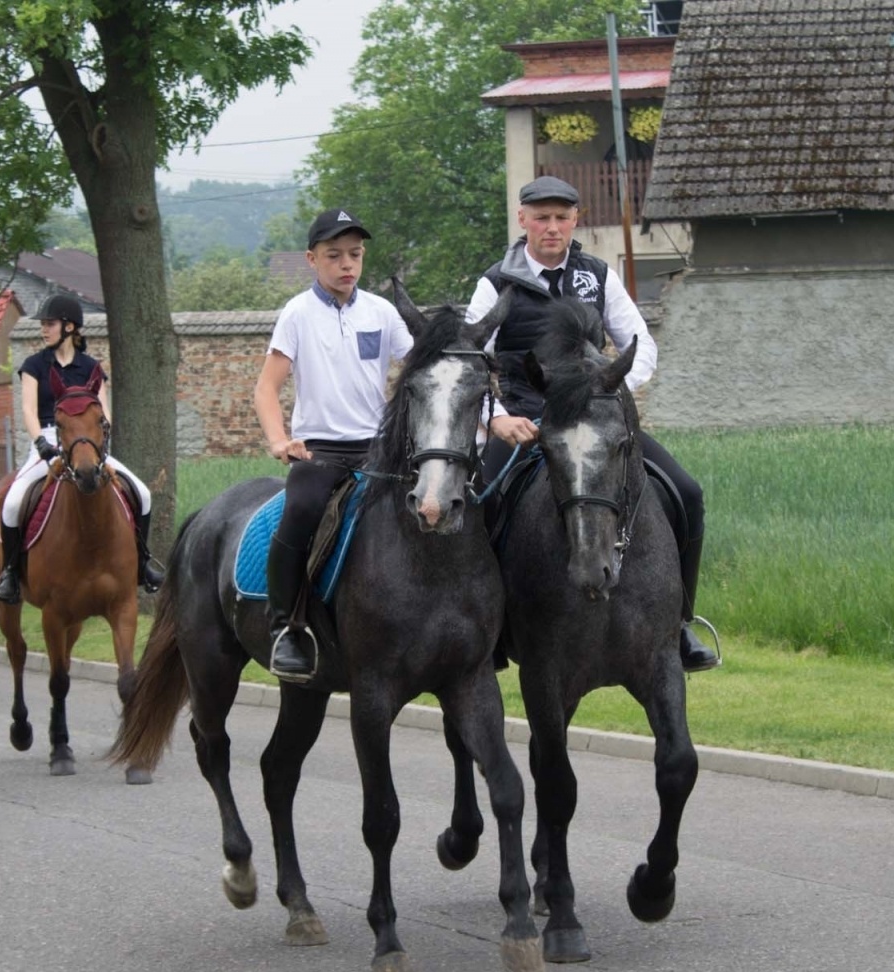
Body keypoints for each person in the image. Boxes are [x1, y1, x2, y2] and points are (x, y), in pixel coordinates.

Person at [466, 176, 719, 672]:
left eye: (562, 217)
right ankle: (490, 627)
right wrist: (496, 419)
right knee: (481, 506)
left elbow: (640, 343)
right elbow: (472, 363)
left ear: (575, 220)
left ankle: (681, 622)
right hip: (528, 423)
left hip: (597, 419)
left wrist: (611, 389)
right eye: (541, 217)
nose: (552, 227)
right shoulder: (494, 284)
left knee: (687, 493)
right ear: (523, 220)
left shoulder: (598, 275)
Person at [252, 208, 416, 683]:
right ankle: (286, 627)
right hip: (318, 451)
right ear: (311, 259)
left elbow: (418, 365)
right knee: (301, 510)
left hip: (379, 449)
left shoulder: (382, 313)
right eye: (334, 255)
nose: (347, 264)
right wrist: (280, 440)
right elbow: (267, 388)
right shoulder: (297, 314)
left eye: (355, 254)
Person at [0, 293, 166, 604]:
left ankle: (142, 563)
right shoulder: (34, 366)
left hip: (90, 442)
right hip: (48, 440)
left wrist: (100, 446)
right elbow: (29, 411)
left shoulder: (92, 367)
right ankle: (9, 574)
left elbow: (104, 412)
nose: (43, 330)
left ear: (69, 327)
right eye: (43, 325)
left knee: (144, 493)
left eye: (49, 324)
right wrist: (42, 444)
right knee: (12, 502)